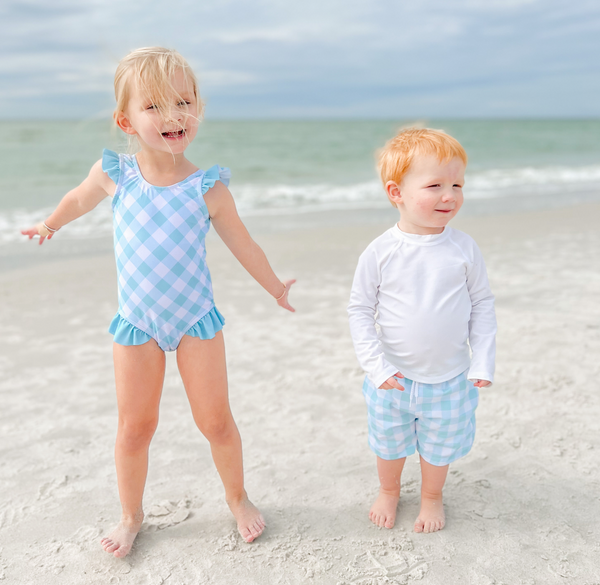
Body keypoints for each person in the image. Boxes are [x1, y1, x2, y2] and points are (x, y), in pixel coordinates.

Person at [22, 47, 295, 557]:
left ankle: (237, 498)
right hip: (138, 324)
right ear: (126, 120)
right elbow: (79, 198)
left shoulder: (207, 187)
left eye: (183, 102)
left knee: (216, 421)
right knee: (134, 429)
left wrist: (276, 287)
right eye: (155, 106)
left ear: (199, 110)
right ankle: (130, 515)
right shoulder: (115, 174)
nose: (173, 115)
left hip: (195, 320)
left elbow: (243, 244)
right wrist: (49, 224)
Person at [347, 128, 496, 534]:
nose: (449, 195)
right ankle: (389, 490)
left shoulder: (464, 248)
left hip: (449, 378)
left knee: (439, 447)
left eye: (457, 185)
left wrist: (482, 359)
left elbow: (482, 304)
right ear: (396, 192)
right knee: (388, 443)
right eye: (435, 186)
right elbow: (360, 310)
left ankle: (432, 497)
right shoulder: (381, 251)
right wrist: (375, 366)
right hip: (392, 378)